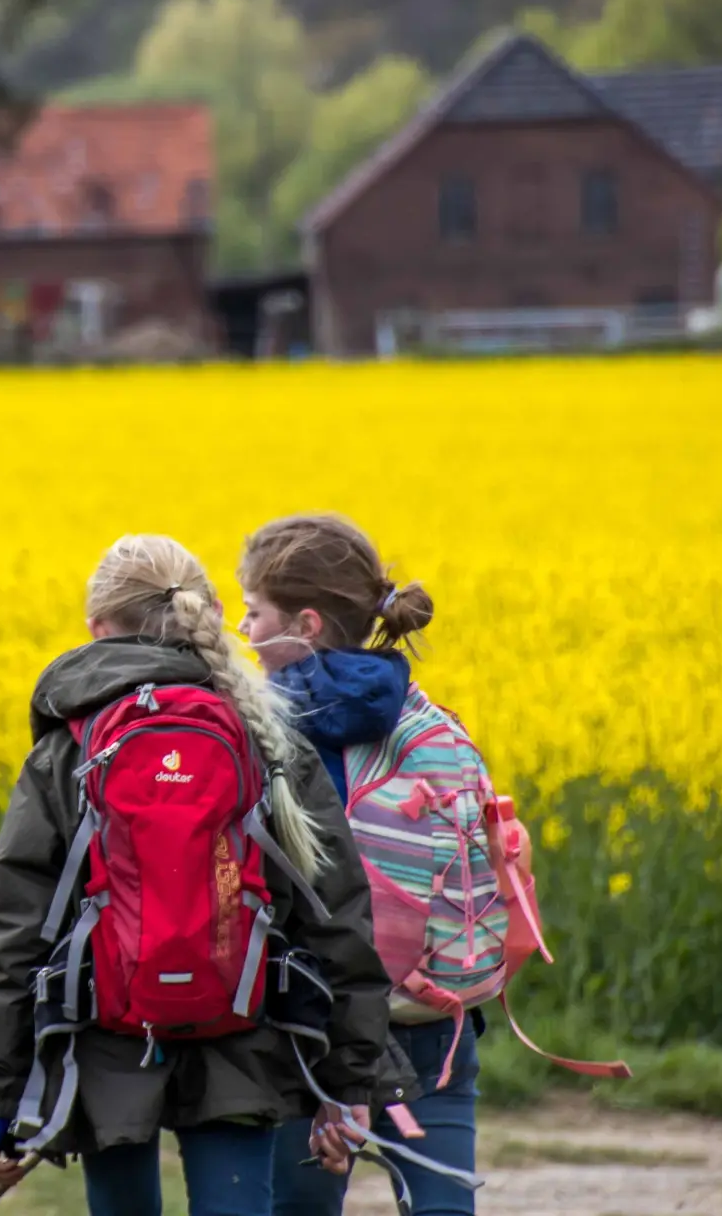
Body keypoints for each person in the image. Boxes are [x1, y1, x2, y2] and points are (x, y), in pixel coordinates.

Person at [0, 534, 392, 1216]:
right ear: (208, 612)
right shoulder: (263, 734)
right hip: (244, 1029)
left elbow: (18, 929)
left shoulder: (68, 747)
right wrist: (348, 1080)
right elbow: (335, 912)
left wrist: (0, 1102)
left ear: (97, 629)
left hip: (105, 1035)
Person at [237, 513, 477, 1216]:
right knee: (441, 1204)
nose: (245, 633)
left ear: (305, 624)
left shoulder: (271, 734)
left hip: (315, 1024)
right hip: (430, 1006)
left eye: (254, 614)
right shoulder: (419, 715)